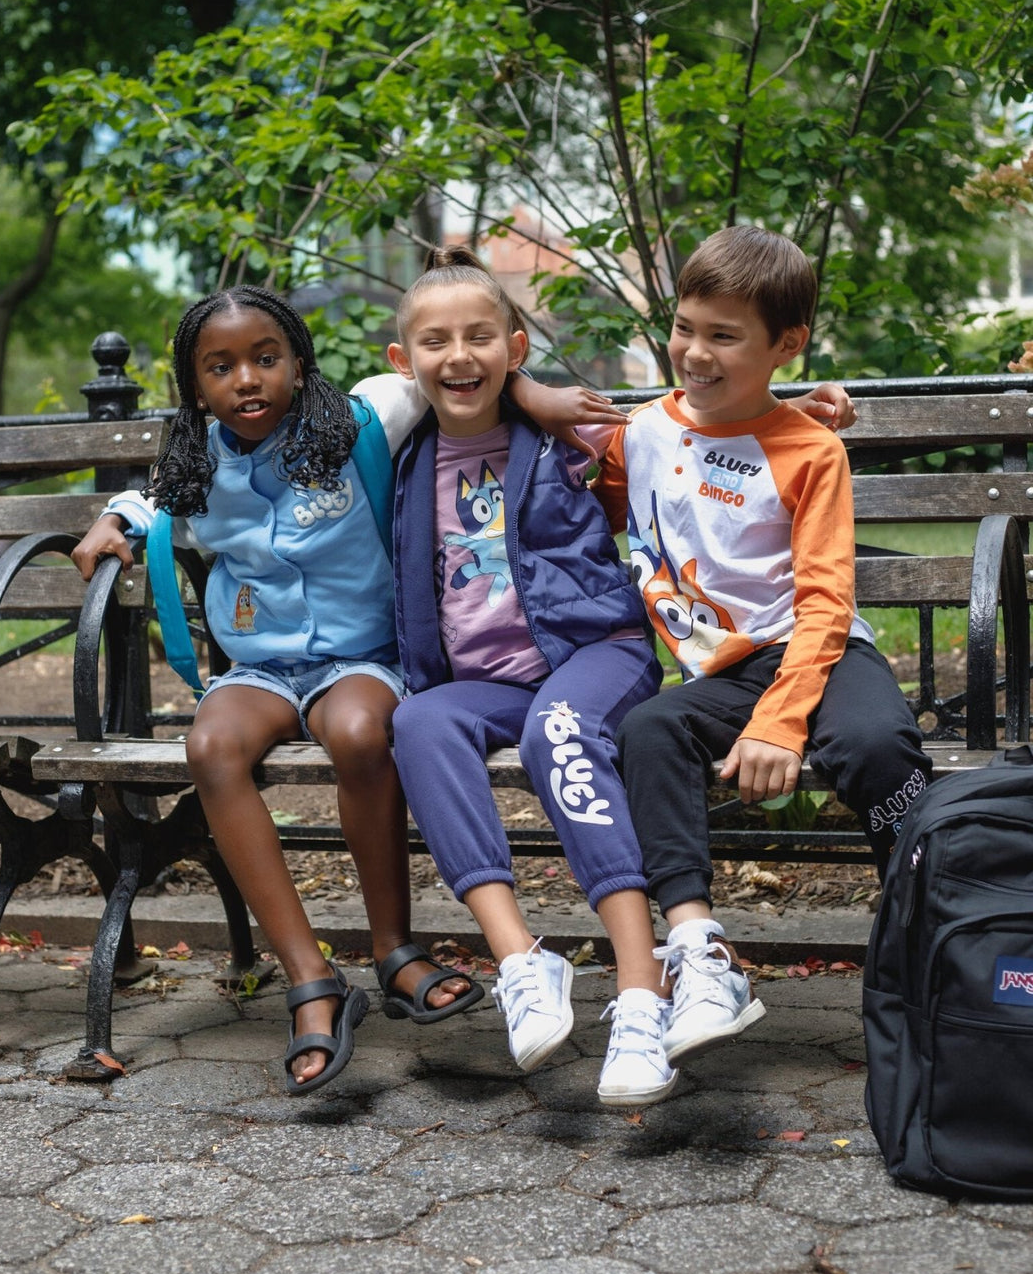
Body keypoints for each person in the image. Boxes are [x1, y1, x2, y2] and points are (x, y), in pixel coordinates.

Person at [69, 286, 495, 1095]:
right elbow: (152, 495)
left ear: (299, 362)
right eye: (221, 367)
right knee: (211, 744)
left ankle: (394, 948)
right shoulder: (198, 459)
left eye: (266, 357)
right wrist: (113, 520)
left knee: (364, 732)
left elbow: (455, 373)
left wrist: (536, 388)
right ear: (196, 387)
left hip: (361, 657)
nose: (247, 380)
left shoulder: (364, 418)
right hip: (260, 670)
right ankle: (311, 977)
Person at [592, 226, 931, 1070]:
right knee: (649, 729)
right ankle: (700, 954)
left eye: (723, 336)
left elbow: (825, 600)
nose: (693, 353)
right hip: (723, 671)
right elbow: (577, 481)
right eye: (684, 326)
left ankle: (930, 932)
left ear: (787, 344)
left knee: (879, 748)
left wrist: (782, 722)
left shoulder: (812, 449)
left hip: (816, 649)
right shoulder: (638, 435)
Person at [386, 246, 685, 1106]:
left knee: (559, 731)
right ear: (406, 363)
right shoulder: (403, 453)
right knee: (419, 723)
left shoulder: (562, 434)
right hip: (486, 681)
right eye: (436, 342)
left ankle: (640, 988)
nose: (459, 355)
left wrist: (799, 407)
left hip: (593, 654)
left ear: (515, 347)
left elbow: (683, 426)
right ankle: (521, 959)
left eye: (481, 337)